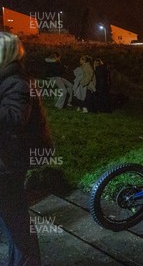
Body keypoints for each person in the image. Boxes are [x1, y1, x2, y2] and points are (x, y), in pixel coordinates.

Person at [0, 32, 42, 265]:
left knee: (16, 223)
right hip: (5, 160)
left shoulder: (17, 81)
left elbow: (15, 118)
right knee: (11, 222)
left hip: (9, 163)